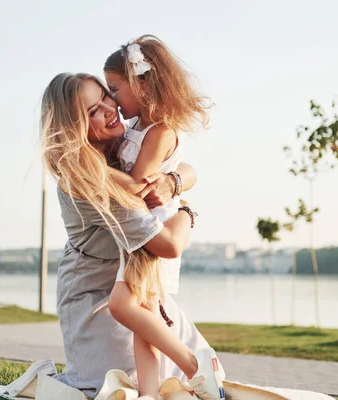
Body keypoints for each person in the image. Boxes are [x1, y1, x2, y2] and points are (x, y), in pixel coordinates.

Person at [40, 72, 224, 400]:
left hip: (136, 283)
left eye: (107, 96)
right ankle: (187, 369)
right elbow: (169, 244)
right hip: (96, 294)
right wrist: (186, 210)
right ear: (74, 129)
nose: (110, 109)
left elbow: (182, 165)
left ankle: (190, 368)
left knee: (197, 380)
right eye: (93, 111)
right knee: (118, 387)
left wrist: (177, 180)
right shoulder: (89, 180)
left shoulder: (124, 151)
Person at [102, 35, 222, 400]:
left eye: (115, 89)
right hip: (139, 237)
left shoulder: (161, 132)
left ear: (142, 82)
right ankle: (149, 394)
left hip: (152, 237)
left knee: (121, 305)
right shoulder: (138, 128)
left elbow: (137, 185)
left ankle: (192, 366)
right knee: (146, 323)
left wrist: (89, 168)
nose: (114, 101)